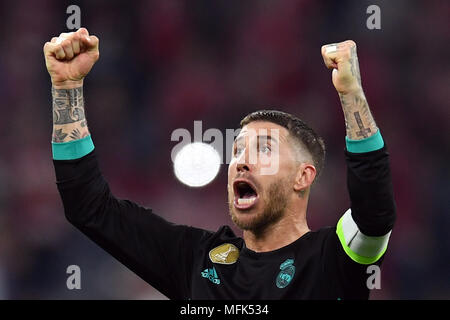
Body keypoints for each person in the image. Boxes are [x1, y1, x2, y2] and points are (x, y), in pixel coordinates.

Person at [43, 28, 396, 299]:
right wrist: (67, 86)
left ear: (303, 177)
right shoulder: (197, 260)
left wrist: (351, 94)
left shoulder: (332, 258)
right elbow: (88, 207)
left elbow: (374, 212)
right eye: (238, 150)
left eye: (264, 149)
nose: (241, 162)